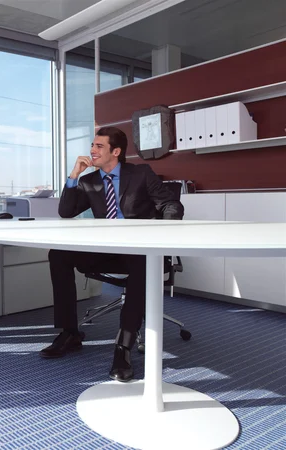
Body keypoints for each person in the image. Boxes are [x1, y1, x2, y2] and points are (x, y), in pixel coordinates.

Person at [40, 126, 184, 382]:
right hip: (106, 250)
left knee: (142, 263)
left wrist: (162, 233)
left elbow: (171, 203)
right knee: (59, 254)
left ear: (115, 152)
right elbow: (66, 212)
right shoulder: (89, 181)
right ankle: (70, 332)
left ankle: (123, 347)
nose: (92, 151)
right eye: (92, 146)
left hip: (139, 249)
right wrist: (73, 175)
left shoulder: (140, 174)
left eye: (98, 146)